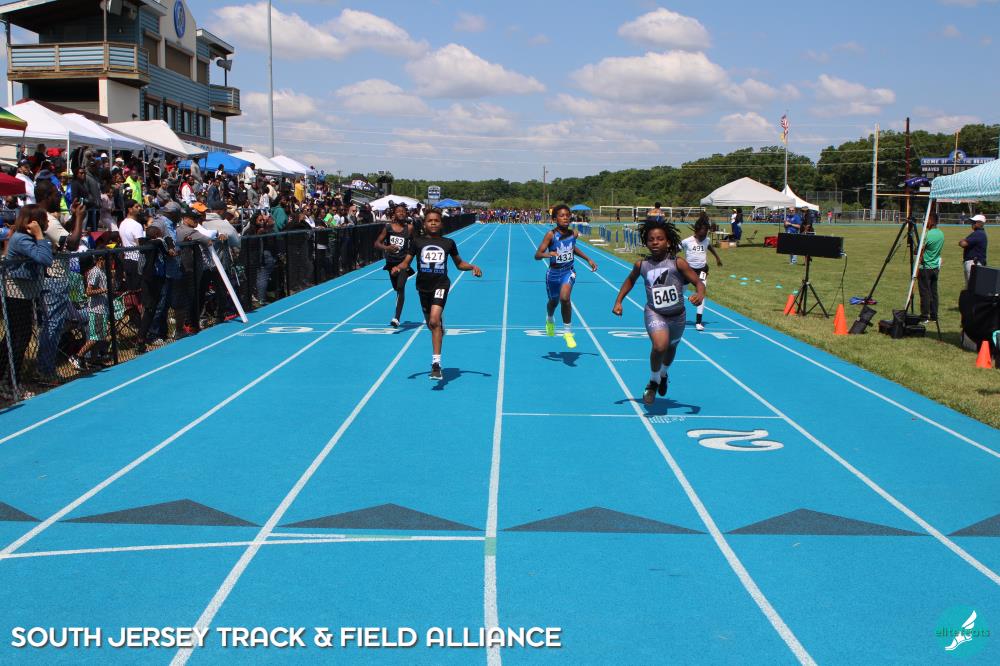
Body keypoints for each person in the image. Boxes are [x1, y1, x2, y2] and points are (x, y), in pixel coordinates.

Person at [611, 217, 705, 405]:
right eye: (651, 239)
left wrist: (700, 294)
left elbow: (698, 282)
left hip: (678, 316)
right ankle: (653, 381)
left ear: (668, 241)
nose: (655, 242)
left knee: (671, 348)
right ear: (646, 242)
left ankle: (663, 374)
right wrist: (619, 301)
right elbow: (630, 280)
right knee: (660, 346)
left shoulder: (678, 263)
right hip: (655, 312)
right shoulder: (642, 265)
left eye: (660, 239)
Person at [391, 209, 482, 380]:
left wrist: (472, 267)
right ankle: (439, 327)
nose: (433, 223)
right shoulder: (417, 242)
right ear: (424, 224)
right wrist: (398, 267)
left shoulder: (448, 243)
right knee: (431, 325)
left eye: (436, 220)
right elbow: (406, 262)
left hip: (441, 285)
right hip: (423, 287)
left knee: (434, 321)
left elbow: (459, 264)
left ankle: (436, 364)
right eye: (430, 220)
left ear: (441, 224)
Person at [0, 205, 52, 399]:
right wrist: (39, 235)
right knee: (17, 339)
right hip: (16, 294)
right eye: (43, 219)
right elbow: (45, 259)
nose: (47, 222)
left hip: (26, 294)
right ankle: (9, 382)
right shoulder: (22, 239)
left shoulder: (26, 238)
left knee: (18, 338)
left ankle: (9, 380)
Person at [533, 203, 598, 349]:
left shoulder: (573, 233)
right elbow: (537, 255)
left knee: (565, 298)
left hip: (568, 271)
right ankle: (550, 318)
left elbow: (572, 248)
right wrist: (548, 254)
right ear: (555, 219)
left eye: (568, 215)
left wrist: (588, 259)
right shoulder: (551, 235)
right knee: (553, 302)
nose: (565, 218)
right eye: (562, 216)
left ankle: (567, 332)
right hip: (553, 273)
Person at [680, 213, 723, 331]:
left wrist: (717, 258)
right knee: (680, 294)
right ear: (696, 230)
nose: (704, 237)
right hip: (688, 270)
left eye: (706, 234)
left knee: (701, 294)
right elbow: (675, 249)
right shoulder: (687, 241)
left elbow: (710, 247)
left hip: (702, 270)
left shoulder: (706, 240)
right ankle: (677, 316)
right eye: (702, 234)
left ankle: (698, 322)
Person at [374, 203, 414, 327]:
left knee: (401, 288)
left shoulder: (410, 228)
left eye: (403, 211)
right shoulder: (388, 228)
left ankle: (396, 318)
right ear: (394, 214)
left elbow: (415, 245)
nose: (401, 213)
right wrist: (387, 248)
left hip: (403, 263)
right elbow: (377, 243)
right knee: (396, 288)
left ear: (406, 214)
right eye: (398, 211)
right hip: (391, 263)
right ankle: (397, 309)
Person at [69, 254, 109, 370]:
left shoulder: (103, 271)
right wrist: (104, 290)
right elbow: (88, 291)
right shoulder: (95, 272)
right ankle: (78, 356)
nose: (110, 261)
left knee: (100, 337)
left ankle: (93, 360)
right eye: (108, 258)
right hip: (96, 309)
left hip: (103, 307)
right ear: (100, 259)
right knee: (95, 337)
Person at [916, 211, 944, 325]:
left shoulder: (927, 234)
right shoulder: (941, 234)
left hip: (925, 267)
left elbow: (919, 250)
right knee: (933, 292)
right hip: (935, 267)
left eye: (926, 220)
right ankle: (934, 315)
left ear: (931, 221)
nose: (924, 222)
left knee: (925, 293)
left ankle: (924, 316)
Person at [959, 214, 988, 286]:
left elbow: (963, 244)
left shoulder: (978, 234)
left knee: (972, 287)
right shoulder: (980, 233)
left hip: (973, 263)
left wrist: (962, 241)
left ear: (979, 223)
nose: (972, 224)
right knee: (972, 287)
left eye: (974, 222)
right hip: (975, 263)